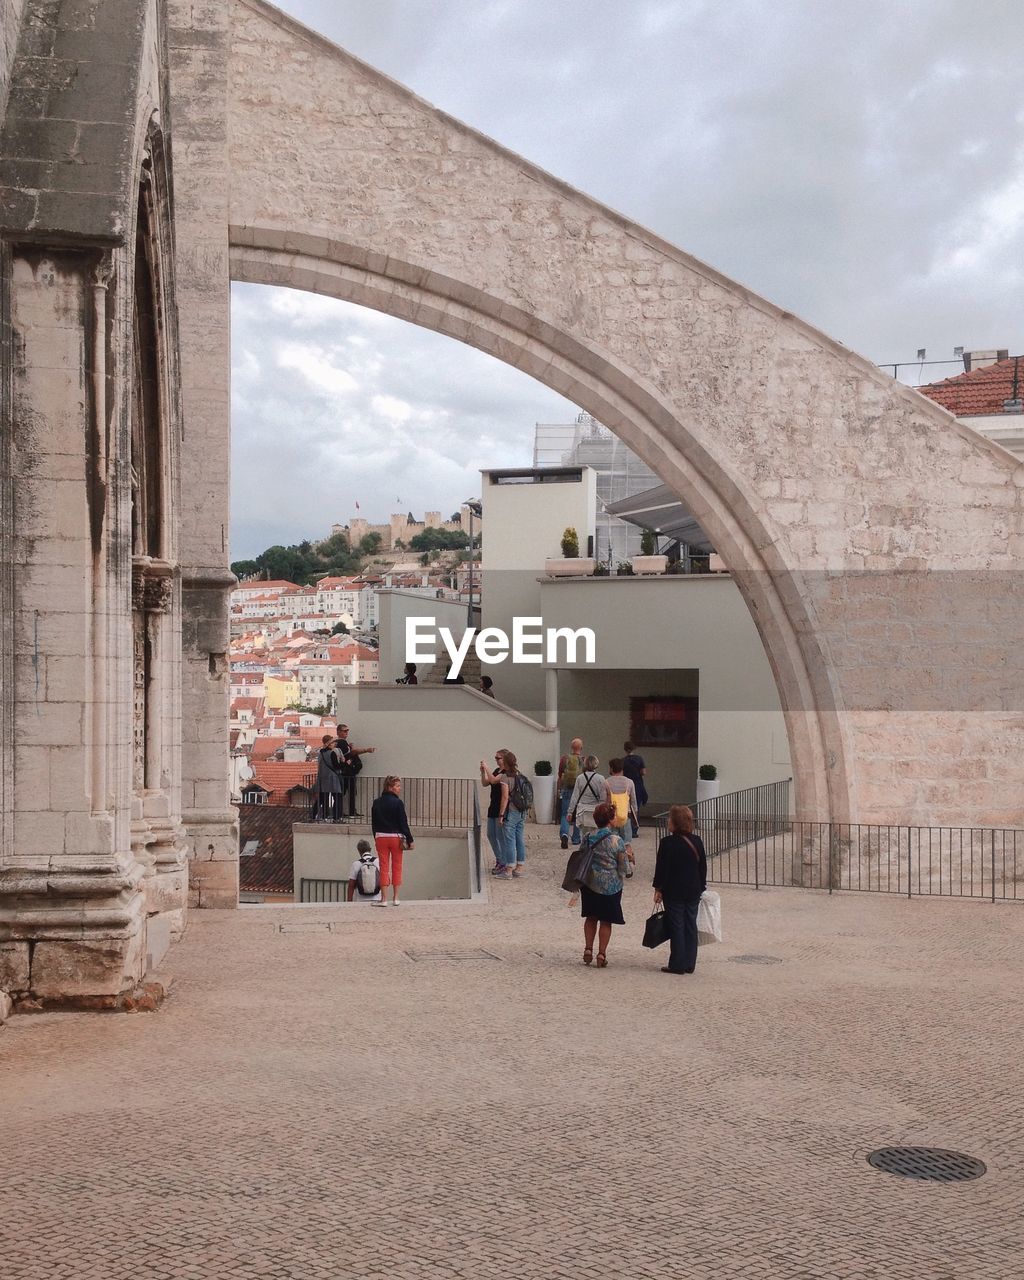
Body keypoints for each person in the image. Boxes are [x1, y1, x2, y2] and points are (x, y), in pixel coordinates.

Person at [653, 804, 708, 975]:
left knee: (677, 924)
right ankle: (690, 963)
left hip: (674, 891)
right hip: (693, 890)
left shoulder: (667, 843)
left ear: (675, 822)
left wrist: (658, 888)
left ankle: (677, 963)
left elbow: (662, 868)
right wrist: (702, 886)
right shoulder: (697, 841)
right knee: (690, 924)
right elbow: (702, 867)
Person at [576, 801, 630, 968]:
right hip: (610, 886)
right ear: (611, 819)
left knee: (590, 917)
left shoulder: (588, 837)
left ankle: (588, 949)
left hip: (590, 883)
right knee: (606, 921)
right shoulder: (617, 841)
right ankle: (601, 953)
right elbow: (624, 867)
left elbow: (581, 855)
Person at [370, 775, 414, 906]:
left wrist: (376, 837)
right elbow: (403, 823)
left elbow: (374, 823)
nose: (399, 789)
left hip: (381, 837)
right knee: (397, 866)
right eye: (397, 786)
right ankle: (396, 897)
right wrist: (410, 839)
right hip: (396, 837)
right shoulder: (398, 803)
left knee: (384, 867)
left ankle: (383, 899)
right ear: (390, 787)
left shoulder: (376, 802)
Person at [603, 758, 637, 874]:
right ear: (622, 768)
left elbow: (605, 801)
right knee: (626, 842)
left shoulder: (606, 782)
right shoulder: (629, 782)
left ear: (611, 768)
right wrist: (635, 815)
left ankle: (615, 866)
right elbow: (633, 802)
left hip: (612, 817)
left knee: (614, 842)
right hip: (625, 816)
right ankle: (629, 867)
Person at [479, 751, 511, 876]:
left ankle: (504, 862)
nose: (497, 760)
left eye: (499, 758)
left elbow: (493, 781)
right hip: (493, 807)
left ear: (505, 759)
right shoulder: (497, 770)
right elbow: (485, 783)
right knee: (490, 835)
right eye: (495, 758)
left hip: (500, 808)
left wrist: (486, 768)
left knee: (500, 836)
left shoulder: (505, 773)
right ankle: (499, 859)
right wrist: (483, 772)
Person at [335, 722, 376, 817]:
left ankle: (343, 812)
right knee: (348, 792)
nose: (346, 732)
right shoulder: (341, 742)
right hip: (347, 772)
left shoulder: (340, 743)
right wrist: (366, 750)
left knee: (345, 792)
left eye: (347, 731)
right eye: (344, 731)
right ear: (339, 732)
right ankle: (348, 812)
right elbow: (352, 753)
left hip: (345, 772)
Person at [500, 749, 527, 878]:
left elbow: (505, 797)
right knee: (519, 839)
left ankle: (509, 869)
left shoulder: (505, 777)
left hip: (511, 812)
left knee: (509, 840)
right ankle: (520, 867)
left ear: (505, 763)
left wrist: (501, 815)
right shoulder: (520, 775)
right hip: (522, 811)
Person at [566, 755, 605, 842]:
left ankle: (585, 852)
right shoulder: (601, 778)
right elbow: (603, 798)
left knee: (584, 836)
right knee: (596, 836)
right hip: (596, 811)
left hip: (582, 811)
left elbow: (575, 796)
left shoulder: (580, 778)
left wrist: (570, 812)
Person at [557, 737, 584, 850]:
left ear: (571, 747)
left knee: (565, 814)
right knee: (577, 814)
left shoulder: (564, 758)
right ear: (581, 748)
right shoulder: (583, 759)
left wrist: (559, 788)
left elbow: (560, 774)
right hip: (579, 790)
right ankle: (576, 838)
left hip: (567, 788)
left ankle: (564, 835)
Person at [314, 733, 343, 822]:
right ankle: (336, 817)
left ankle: (313, 815)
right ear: (329, 744)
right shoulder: (332, 753)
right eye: (333, 743)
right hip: (333, 778)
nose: (335, 744)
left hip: (322, 778)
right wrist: (344, 762)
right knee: (337, 798)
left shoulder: (320, 753)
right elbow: (337, 766)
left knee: (322, 798)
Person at [622, 741, 648, 838]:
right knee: (635, 807)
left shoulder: (623, 761)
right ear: (634, 748)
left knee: (626, 807)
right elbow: (643, 772)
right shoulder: (639, 759)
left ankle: (626, 828)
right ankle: (634, 829)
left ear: (625, 749)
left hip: (626, 785)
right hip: (637, 784)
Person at [347, 838, 382, 904]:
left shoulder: (356, 864)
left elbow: (351, 885)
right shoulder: (378, 862)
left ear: (359, 851)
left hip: (360, 900)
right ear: (370, 849)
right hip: (377, 898)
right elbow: (386, 880)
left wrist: (349, 901)